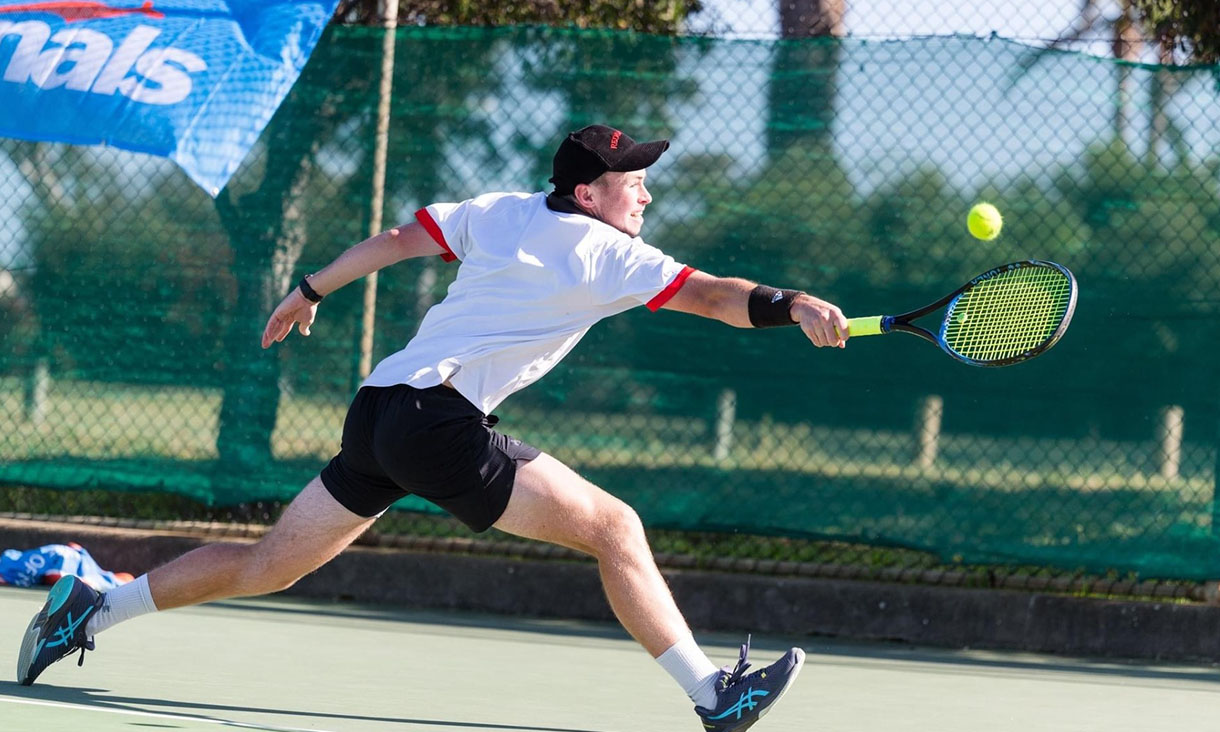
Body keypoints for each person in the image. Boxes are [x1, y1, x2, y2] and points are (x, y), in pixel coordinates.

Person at [17, 124, 849, 730]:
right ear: (589, 193)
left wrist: (311, 288)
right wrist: (796, 304)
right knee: (616, 528)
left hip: (380, 407)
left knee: (271, 563)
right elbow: (713, 296)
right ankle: (713, 694)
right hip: (438, 420)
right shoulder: (607, 252)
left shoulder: (504, 211)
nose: (647, 190)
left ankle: (91, 608)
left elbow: (396, 238)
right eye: (633, 179)